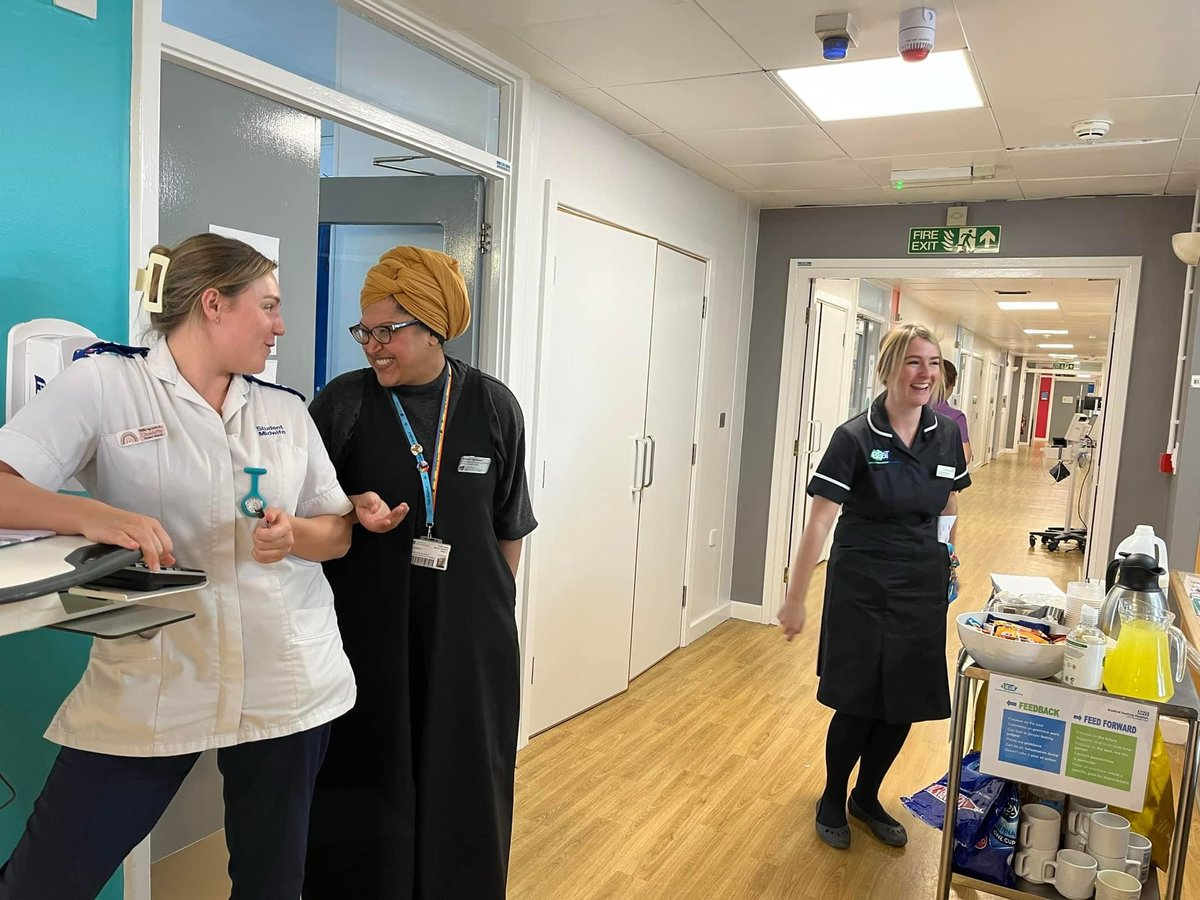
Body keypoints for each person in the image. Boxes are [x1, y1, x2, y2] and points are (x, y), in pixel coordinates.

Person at [0, 234, 357, 899]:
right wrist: (92, 516)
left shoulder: (283, 409)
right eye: (269, 306)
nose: (281, 326)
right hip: (156, 676)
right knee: (45, 882)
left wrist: (296, 534)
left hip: (287, 679)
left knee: (271, 885)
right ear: (214, 304)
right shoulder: (105, 384)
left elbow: (336, 531)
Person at [304, 247, 537, 899]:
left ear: (433, 326)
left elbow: (509, 527)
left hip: (470, 644)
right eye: (366, 331)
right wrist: (350, 504)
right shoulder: (344, 404)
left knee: (466, 781)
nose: (374, 347)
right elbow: (304, 509)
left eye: (388, 331)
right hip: (367, 637)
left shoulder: (493, 406)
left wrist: (487, 618)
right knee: (365, 778)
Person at [777, 323, 970, 851]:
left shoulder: (947, 433)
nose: (925, 373)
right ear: (887, 368)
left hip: (920, 582)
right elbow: (819, 522)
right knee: (859, 699)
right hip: (861, 581)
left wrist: (950, 556)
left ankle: (867, 795)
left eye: (932, 362)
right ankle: (832, 796)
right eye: (913, 362)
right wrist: (796, 597)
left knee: (905, 698)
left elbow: (950, 501)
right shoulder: (855, 436)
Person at [932, 358, 972, 464]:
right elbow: (965, 457)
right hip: (940, 478)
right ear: (951, 385)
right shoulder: (955, 417)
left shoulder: (907, 410)